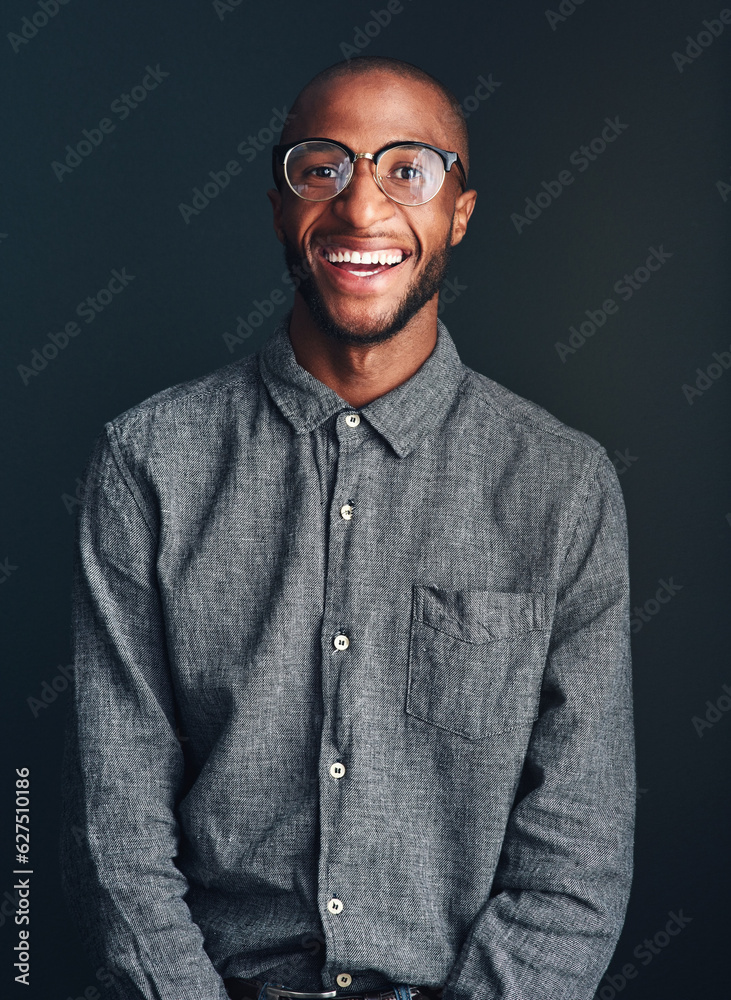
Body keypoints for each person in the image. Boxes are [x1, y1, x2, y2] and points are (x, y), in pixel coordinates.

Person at [60, 55, 636, 1000]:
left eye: (406, 169)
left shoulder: (562, 487)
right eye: (321, 167)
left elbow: (576, 853)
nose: (360, 208)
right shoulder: (146, 464)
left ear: (460, 211)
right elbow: (115, 830)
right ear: (281, 204)